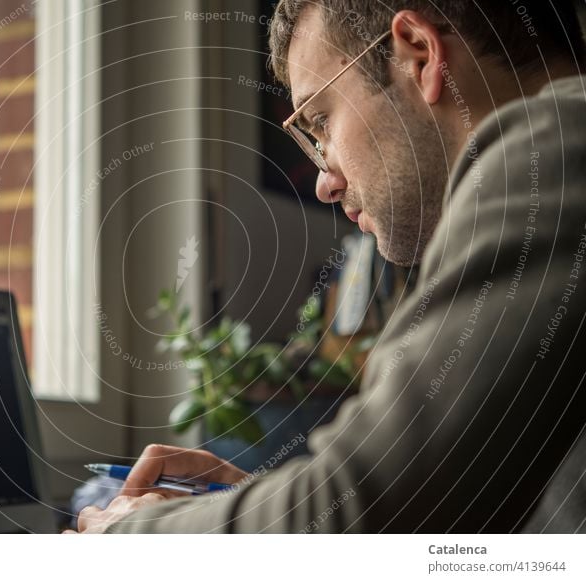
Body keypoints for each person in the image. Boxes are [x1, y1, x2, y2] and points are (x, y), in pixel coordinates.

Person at [69, 0, 586, 533]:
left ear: (419, 53)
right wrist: (258, 503)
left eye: (320, 121)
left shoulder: (562, 146)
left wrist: (127, 539)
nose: (324, 181)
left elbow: (372, 506)